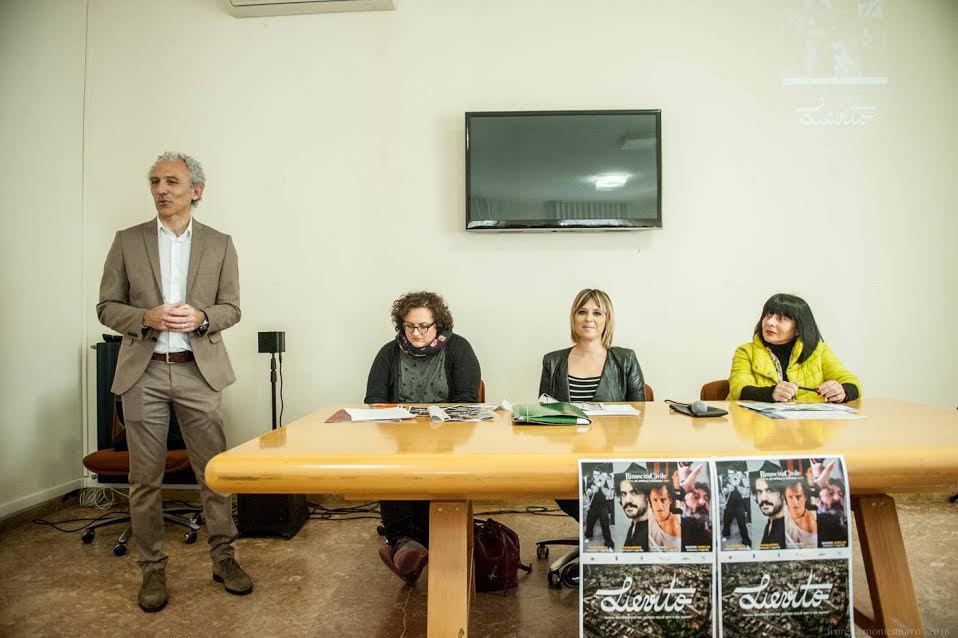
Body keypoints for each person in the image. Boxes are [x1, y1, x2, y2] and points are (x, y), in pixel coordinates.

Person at [97, 152, 251, 612]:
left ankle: (224, 559)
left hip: (197, 371)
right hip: (143, 372)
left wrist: (203, 317)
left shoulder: (220, 243)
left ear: (195, 191)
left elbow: (232, 308)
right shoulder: (127, 241)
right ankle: (151, 568)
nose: (161, 190)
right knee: (145, 479)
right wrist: (143, 317)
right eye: (155, 181)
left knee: (214, 473)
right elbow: (106, 306)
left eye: (171, 181)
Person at [364, 291, 481, 585]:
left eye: (423, 326)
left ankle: (410, 547)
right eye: (409, 326)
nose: (416, 333)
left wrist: (435, 429)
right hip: (400, 439)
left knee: (429, 472)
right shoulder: (389, 353)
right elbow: (374, 400)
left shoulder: (459, 349)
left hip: (447, 441)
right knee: (393, 470)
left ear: (438, 324)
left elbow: (467, 402)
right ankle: (406, 543)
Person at [541, 289, 646, 520]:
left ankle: (600, 533)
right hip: (567, 455)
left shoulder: (625, 359)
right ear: (574, 317)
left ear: (607, 319)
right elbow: (545, 415)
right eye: (582, 312)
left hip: (613, 454)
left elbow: (640, 415)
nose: (589, 318)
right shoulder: (553, 361)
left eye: (597, 313)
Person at [727, 293, 862, 403]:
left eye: (781, 318)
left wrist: (842, 391)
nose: (770, 322)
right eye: (768, 315)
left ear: (798, 329)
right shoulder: (746, 351)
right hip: (759, 424)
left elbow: (851, 382)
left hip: (807, 424)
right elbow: (738, 388)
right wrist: (770, 393)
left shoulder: (818, 350)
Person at [616, 469, 649, 551]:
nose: (627, 500)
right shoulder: (634, 525)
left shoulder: (652, 535)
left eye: (634, 493)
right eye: (623, 494)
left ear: (647, 496)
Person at [583, 468, 615, 550]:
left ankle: (609, 544)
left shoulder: (605, 482)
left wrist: (601, 487)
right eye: (594, 474)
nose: (595, 476)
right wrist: (592, 490)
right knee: (590, 522)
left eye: (597, 475)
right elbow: (588, 493)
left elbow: (608, 494)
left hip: (603, 506)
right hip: (593, 506)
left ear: (600, 475)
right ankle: (588, 536)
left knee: (605, 524)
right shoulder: (590, 482)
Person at [753, 474, 787, 550]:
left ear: (782, 494)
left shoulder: (789, 529)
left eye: (769, 491)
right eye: (759, 492)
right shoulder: (770, 523)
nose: (763, 498)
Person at [721, 468, 752, 548]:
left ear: (735, 473)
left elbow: (745, 493)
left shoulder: (740, 481)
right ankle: (725, 535)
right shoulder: (726, 481)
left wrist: (737, 485)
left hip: (739, 505)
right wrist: (729, 489)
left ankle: (746, 541)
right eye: (729, 473)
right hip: (729, 505)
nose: (730, 475)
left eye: (731, 473)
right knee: (727, 521)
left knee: (742, 523)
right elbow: (723, 492)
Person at [784, 479, 818, 548]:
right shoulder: (784, 510)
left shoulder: (809, 524)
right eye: (790, 497)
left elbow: (808, 553)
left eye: (798, 497)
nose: (795, 503)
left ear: (805, 497)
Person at [647, 482, 681, 552]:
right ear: (650, 500)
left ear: (670, 500)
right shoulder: (647, 515)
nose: (659, 505)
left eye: (663, 500)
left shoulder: (675, 526)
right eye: (655, 500)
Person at [681, 481, 713, 551]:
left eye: (706, 499)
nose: (703, 502)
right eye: (696, 497)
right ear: (682, 505)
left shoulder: (709, 536)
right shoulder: (678, 528)